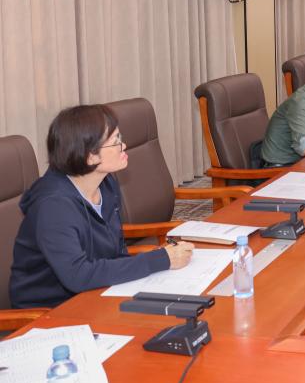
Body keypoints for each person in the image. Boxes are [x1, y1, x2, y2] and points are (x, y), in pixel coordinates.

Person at [9, 105, 194, 308]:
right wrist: (159, 260)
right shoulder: (53, 206)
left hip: (96, 293)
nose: (124, 146)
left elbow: (115, 252)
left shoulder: (105, 184)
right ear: (90, 156)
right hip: (50, 311)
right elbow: (77, 275)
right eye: (115, 141)